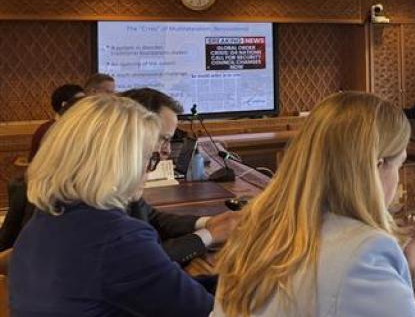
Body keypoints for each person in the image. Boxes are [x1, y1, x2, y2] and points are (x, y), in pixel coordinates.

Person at [213, 92, 415, 317]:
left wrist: (396, 272)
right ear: (375, 167)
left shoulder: (253, 231)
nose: (398, 180)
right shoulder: (365, 252)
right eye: (399, 165)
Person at [9, 95, 213, 315]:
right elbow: (205, 311)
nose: (149, 169)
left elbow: (162, 288)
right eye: (148, 158)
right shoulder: (117, 238)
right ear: (121, 163)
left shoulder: (42, 223)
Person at [121, 88, 242, 264]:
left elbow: (152, 218)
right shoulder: (101, 195)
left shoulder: (125, 183)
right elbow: (141, 262)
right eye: (164, 138)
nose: (168, 150)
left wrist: (209, 223)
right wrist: (210, 235)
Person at [28, 83, 85, 160]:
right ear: (65, 105)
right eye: (80, 102)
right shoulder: (47, 130)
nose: (86, 105)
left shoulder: (82, 126)